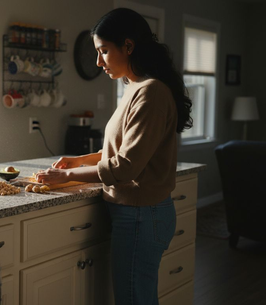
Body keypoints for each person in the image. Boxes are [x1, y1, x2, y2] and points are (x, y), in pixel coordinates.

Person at [35, 8, 193, 305]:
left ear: (128, 46)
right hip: (137, 214)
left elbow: (126, 168)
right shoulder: (134, 88)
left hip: (142, 216)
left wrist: (66, 176)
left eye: (104, 51)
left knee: (134, 299)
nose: (98, 62)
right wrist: (80, 160)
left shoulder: (151, 92)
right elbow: (123, 150)